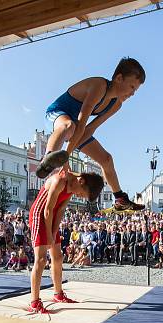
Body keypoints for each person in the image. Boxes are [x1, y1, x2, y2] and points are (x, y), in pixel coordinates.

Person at [35, 57, 145, 211]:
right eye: (132, 87)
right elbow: (81, 124)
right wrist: (65, 158)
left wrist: (67, 157)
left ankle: (120, 199)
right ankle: (47, 158)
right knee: (69, 126)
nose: (133, 93)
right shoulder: (99, 86)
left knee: (106, 159)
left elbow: (90, 129)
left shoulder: (116, 105)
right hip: (58, 114)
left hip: (77, 127)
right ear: (119, 78)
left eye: (136, 90)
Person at [27, 170, 104, 313]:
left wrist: (54, 232)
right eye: (82, 193)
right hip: (40, 214)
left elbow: (61, 208)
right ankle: (34, 302)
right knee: (42, 259)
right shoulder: (59, 181)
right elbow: (47, 210)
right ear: (81, 181)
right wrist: (49, 236)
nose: (80, 196)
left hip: (52, 215)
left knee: (58, 257)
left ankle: (58, 294)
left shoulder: (73, 185)